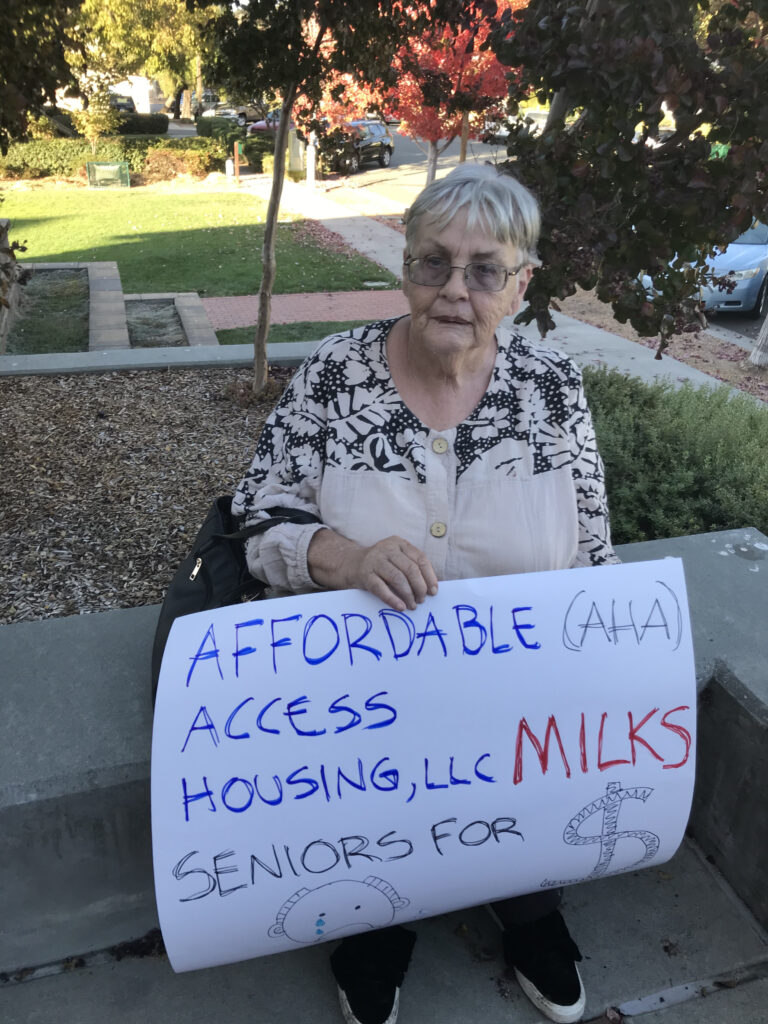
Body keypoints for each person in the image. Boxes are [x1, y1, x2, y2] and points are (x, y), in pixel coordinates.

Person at [232, 162, 619, 1024]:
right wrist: (344, 556)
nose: (454, 289)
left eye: (485, 270)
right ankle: (373, 924)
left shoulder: (553, 389)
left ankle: (526, 909)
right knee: (374, 837)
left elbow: (593, 550)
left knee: (519, 827)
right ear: (404, 266)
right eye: (432, 263)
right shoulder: (335, 376)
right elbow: (257, 522)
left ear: (521, 285)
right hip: (357, 711)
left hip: (516, 704)